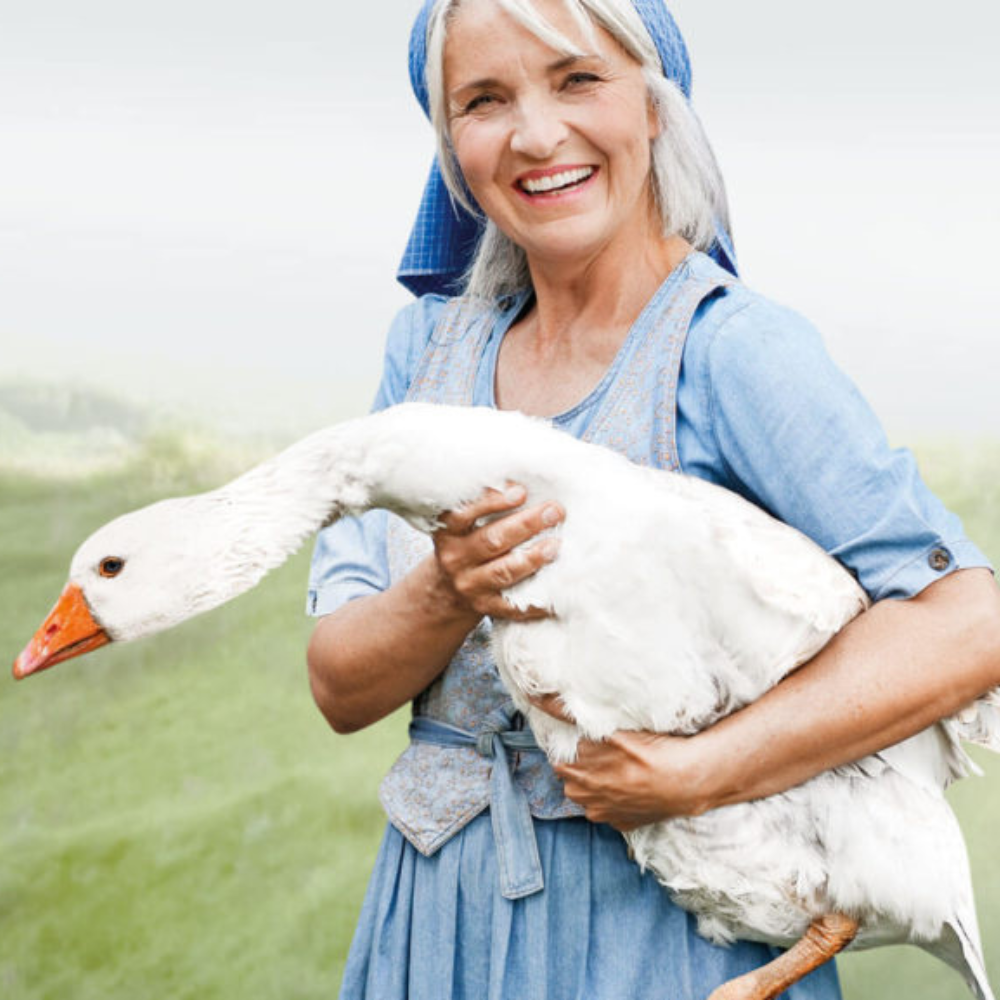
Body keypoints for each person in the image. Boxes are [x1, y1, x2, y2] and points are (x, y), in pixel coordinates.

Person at [306, 1, 1000, 997]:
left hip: (669, 942)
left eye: (577, 79)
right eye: (484, 99)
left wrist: (702, 769)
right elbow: (341, 685)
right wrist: (451, 586)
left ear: (655, 107)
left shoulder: (731, 352)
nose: (536, 134)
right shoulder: (425, 355)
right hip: (434, 925)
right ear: (451, 146)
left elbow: (965, 620)